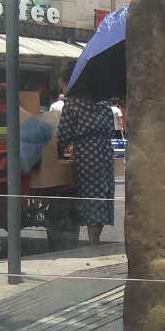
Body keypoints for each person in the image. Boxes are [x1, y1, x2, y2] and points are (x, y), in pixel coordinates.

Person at [56, 93, 115, 245]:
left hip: (87, 153)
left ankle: (92, 241)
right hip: (106, 151)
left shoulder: (73, 104)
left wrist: (58, 151)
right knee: (103, 193)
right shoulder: (104, 103)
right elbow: (111, 129)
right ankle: (95, 239)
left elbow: (63, 133)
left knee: (91, 195)